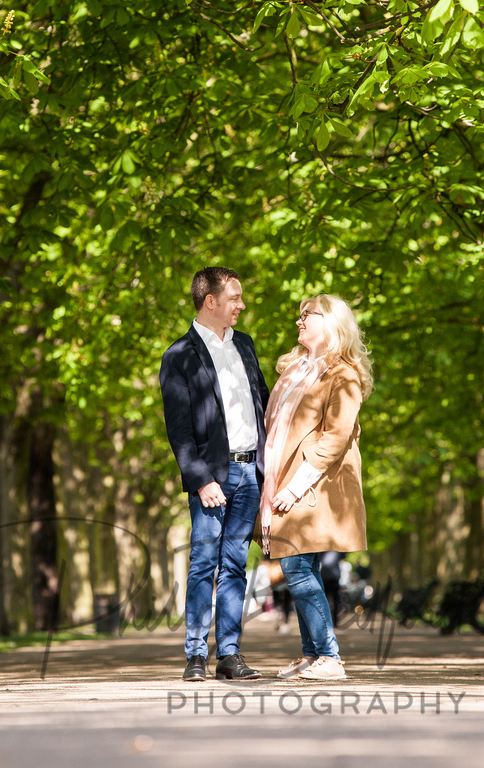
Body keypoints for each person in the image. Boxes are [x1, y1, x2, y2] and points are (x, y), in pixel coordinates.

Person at [160, 266, 269, 681]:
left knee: (237, 565)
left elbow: (262, 404)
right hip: (211, 477)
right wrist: (200, 479)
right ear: (211, 302)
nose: (242, 305)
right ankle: (194, 655)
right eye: (235, 298)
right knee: (204, 562)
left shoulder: (245, 345)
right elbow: (179, 429)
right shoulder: (178, 356)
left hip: (249, 474)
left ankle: (229, 654)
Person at [259, 293, 373, 681]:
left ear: (332, 323)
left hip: (314, 484)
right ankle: (311, 654)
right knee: (296, 564)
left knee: (295, 563)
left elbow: (335, 437)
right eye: (299, 315)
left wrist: (294, 486)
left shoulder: (344, 374)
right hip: (284, 479)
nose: (299, 321)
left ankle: (329, 655)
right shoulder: (294, 369)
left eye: (308, 315)